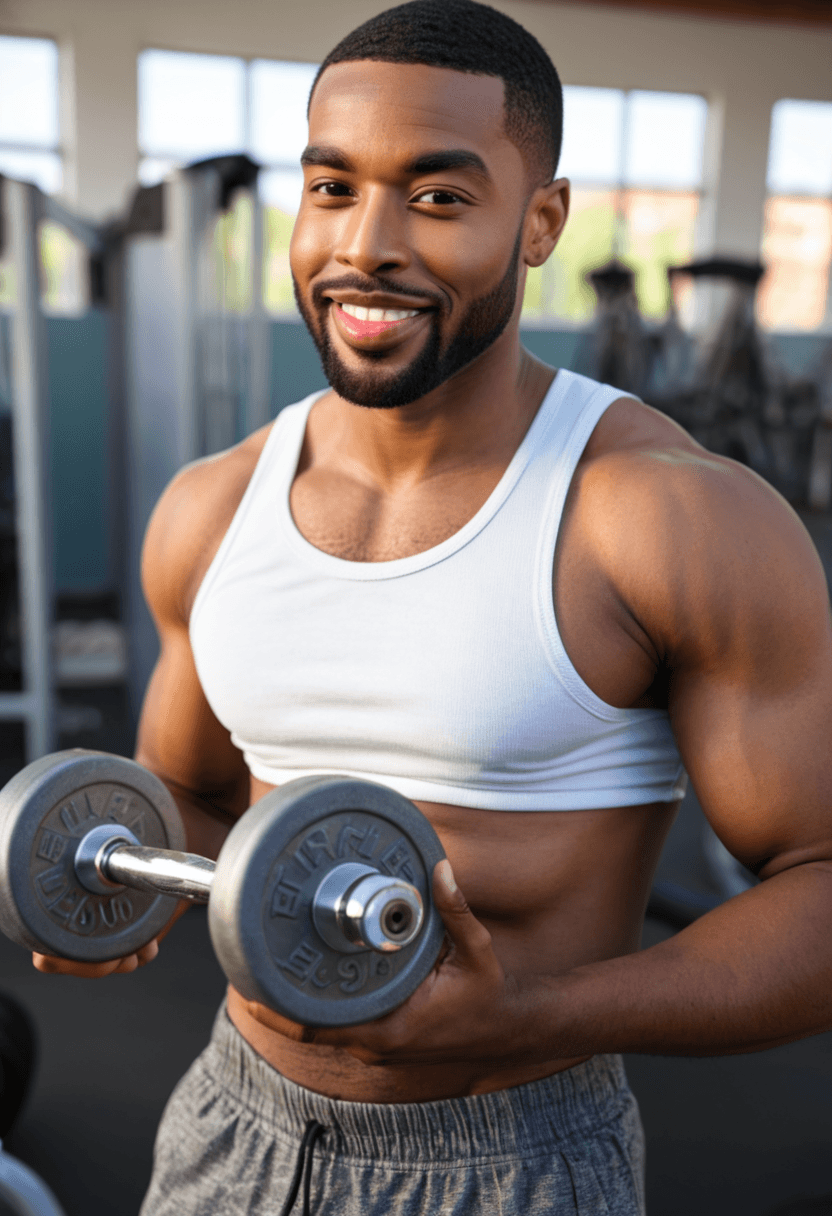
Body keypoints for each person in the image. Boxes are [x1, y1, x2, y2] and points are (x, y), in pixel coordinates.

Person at [34, 2, 832, 1213]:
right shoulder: (209, 509)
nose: (368, 245)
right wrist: (124, 874)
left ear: (541, 220)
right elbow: (187, 801)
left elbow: (820, 884)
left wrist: (523, 1019)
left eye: (438, 197)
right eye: (332, 188)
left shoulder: (664, 518)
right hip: (227, 1122)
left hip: (510, 1152)